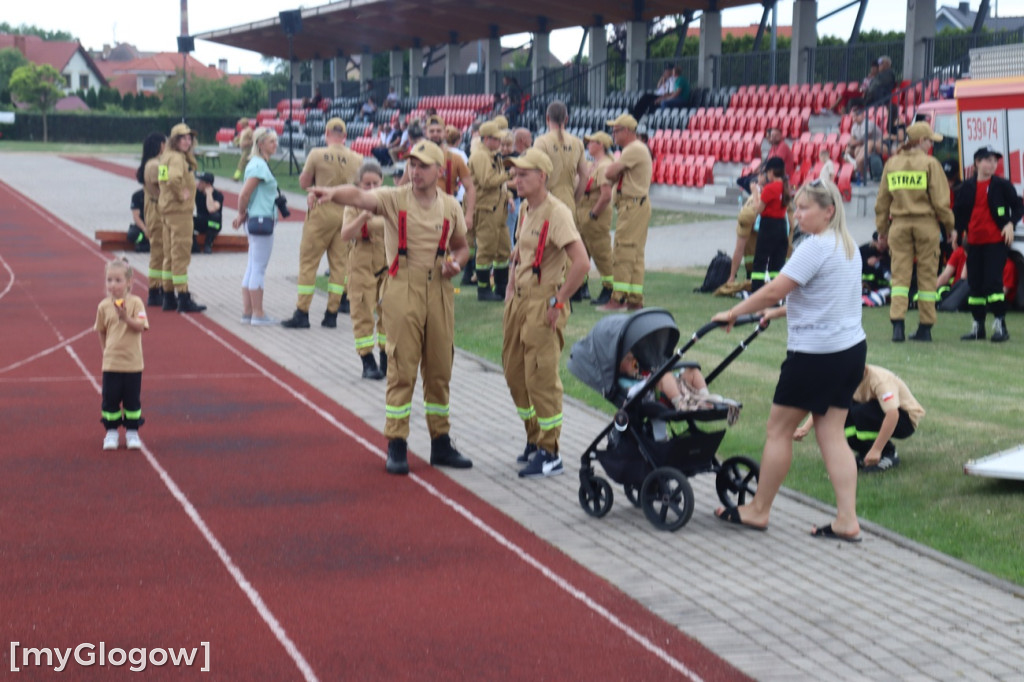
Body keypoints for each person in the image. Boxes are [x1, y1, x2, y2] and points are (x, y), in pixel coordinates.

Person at [712, 178, 867, 542]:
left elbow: (774, 289)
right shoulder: (848, 247)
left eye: (804, 208)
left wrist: (734, 312)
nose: (797, 215)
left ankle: (758, 510)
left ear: (828, 211)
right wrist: (779, 315)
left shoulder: (815, 246)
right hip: (850, 351)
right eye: (796, 208)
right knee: (831, 435)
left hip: (815, 355)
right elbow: (823, 297)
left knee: (778, 430)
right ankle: (847, 519)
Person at [309, 140, 472, 476]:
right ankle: (397, 443)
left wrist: (456, 263)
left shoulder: (449, 207)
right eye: (411, 164)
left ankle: (440, 441)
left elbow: (462, 247)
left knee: (440, 369)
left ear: (439, 171)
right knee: (401, 367)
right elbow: (358, 197)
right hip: (403, 287)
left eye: (423, 165)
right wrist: (330, 193)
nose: (415, 171)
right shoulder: (393, 197)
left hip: (440, 290)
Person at [502, 148, 589, 477]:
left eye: (523, 174)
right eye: (514, 174)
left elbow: (581, 263)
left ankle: (550, 451)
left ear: (542, 176)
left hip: (543, 304)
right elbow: (519, 254)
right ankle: (533, 437)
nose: (516, 179)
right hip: (520, 302)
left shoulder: (557, 212)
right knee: (515, 374)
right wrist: (511, 289)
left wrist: (559, 300)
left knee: (541, 377)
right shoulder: (526, 208)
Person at [279, 118, 364, 329]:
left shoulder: (317, 154)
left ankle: (302, 312)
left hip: (320, 212)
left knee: (309, 263)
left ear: (326, 133)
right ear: (345, 136)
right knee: (340, 266)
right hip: (346, 214)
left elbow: (304, 183)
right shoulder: (358, 158)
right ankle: (331, 313)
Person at [875, 121, 954, 342]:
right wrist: (950, 227)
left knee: (900, 275)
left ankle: (897, 326)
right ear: (920, 141)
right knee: (927, 275)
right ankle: (925, 327)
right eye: (930, 140)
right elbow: (941, 202)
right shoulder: (931, 164)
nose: (931, 145)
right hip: (926, 224)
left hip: (898, 225)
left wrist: (882, 230)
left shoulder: (892, 164)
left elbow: (882, 202)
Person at [795, 365, 924, 473]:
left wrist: (876, 449)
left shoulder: (880, 380)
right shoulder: (844, 376)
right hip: (875, 411)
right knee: (842, 413)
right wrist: (805, 428)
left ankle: (887, 453)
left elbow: (892, 414)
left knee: (860, 413)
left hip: (905, 420)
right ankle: (865, 454)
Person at [953, 145, 1024, 342]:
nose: (992, 164)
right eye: (988, 160)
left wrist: (1010, 223)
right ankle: (978, 327)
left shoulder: (1002, 185)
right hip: (974, 243)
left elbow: (1019, 206)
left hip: (995, 243)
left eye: (995, 161)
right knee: (974, 285)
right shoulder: (967, 186)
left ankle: (1000, 326)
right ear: (977, 163)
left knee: (993, 284)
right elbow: (959, 212)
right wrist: (955, 232)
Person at [598, 114, 653, 311]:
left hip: (632, 205)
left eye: (617, 130)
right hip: (636, 205)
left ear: (628, 131)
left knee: (623, 250)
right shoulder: (636, 149)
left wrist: (616, 171)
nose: (613, 134)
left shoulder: (634, 149)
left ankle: (618, 298)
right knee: (635, 254)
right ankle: (635, 298)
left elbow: (609, 172)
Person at [339, 160, 388, 380]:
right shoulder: (353, 204)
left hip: (387, 262)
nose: (371, 188)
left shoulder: (390, 202)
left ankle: (388, 357)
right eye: (366, 184)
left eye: (375, 183)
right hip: (361, 261)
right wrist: (363, 217)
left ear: (382, 182)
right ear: (359, 184)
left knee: (390, 312)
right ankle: (367, 361)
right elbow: (346, 233)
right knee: (362, 311)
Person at [95, 257, 149, 451]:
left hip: (132, 364)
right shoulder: (103, 306)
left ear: (129, 282)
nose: (113, 285)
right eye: (109, 280)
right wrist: (105, 351)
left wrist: (125, 317)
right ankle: (111, 432)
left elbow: (141, 327)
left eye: (118, 280)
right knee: (110, 399)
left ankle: (132, 431)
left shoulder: (136, 304)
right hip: (111, 363)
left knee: (132, 400)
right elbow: (101, 330)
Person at [232, 127, 281, 326]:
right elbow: (245, 193)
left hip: (255, 217)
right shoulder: (259, 166)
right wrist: (241, 211)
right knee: (258, 268)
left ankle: (248, 311)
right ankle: (258, 313)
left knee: (253, 266)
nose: (275, 145)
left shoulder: (255, 164)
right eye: (271, 142)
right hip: (261, 220)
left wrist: (244, 213)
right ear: (260, 144)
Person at [158, 122, 206, 313]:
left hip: (167, 210)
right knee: (181, 254)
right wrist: (181, 194)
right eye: (183, 138)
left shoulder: (165, 157)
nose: (187, 141)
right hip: (179, 212)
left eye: (189, 138)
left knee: (169, 255)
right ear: (174, 140)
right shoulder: (177, 159)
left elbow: (162, 179)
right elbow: (173, 179)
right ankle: (183, 297)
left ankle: (168, 296)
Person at [469, 120, 511, 301]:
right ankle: (483, 289)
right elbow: (487, 181)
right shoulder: (480, 156)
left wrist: (508, 196)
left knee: (503, 250)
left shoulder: (493, 155)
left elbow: (500, 184)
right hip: (486, 208)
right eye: (496, 139)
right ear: (486, 139)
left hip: (498, 208)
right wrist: (510, 174)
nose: (500, 142)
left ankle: (501, 286)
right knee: (486, 249)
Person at [575, 131, 615, 306]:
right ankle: (578, 286)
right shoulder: (593, 164)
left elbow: (605, 195)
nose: (588, 145)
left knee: (602, 254)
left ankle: (610, 288)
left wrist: (594, 214)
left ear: (600, 144)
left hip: (594, 217)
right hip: (582, 215)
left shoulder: (604, 165)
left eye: (591, 142)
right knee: (581, 252)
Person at [750, 156, 791, 293]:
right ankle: (777, 292)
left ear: (771, 172)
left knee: (760, 260)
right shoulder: (785, 187)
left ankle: (756, 289)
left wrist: (755, 193)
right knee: (777, 262)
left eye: (767, 172)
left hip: (768, 226)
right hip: (781, 226)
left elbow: (758, 208)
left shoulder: (770, 188)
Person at [136, 133, 165, 304]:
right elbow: (164, 185)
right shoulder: (156, 165)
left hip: (154, 209)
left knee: (159, 251)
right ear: (159, 145)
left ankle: (158, 286)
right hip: (157, 210)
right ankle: (155, 289)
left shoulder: (151, 164)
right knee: (159, 251)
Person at [846, 106, 883, 181]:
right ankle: (861, 175)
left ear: (862, 115)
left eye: (857, 115)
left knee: (858, 149)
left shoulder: (868, 124)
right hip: (864, 147)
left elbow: (864, 139)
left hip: (876, 146)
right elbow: (851, 140)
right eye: (853, 116)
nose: (855, 117)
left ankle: (859, 171)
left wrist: (853, 143)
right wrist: (849, 146)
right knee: (852, 149)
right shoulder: (854, 127)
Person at [193, 172, 223, 254]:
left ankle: (208, 245)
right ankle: (194, 247)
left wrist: (209, 194)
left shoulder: (218, 195)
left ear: (208, 184)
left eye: (201, 182)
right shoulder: (197, 192)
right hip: (202, 222)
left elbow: (211, 209)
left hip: (214, 225)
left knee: (215, 216)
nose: (198, 184)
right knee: (187, 219)